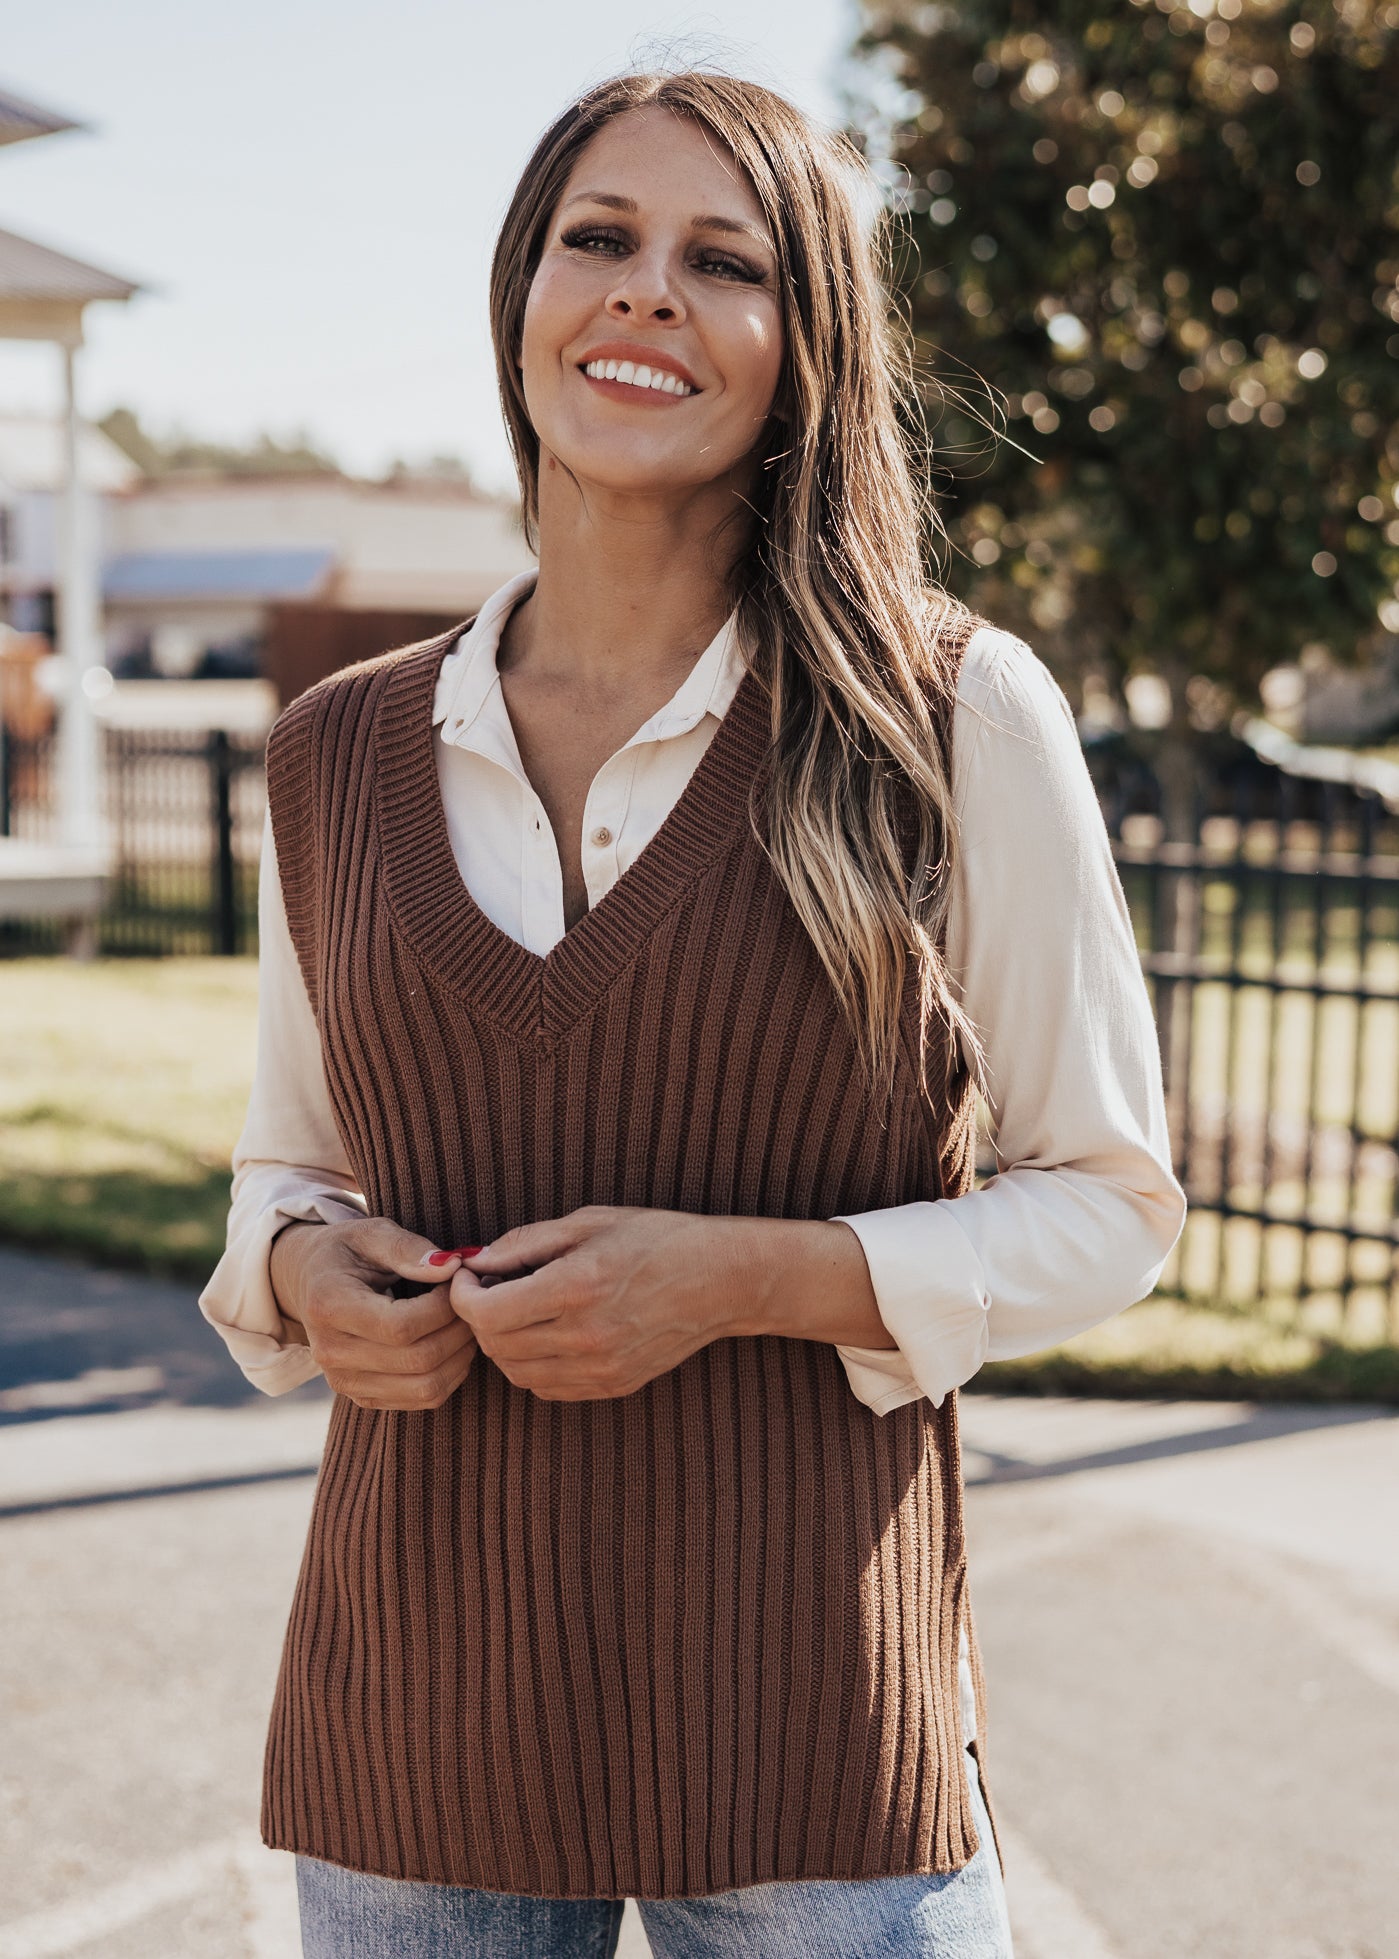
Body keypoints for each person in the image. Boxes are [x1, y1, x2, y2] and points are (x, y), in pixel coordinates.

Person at [200, 68, 1185, 1958]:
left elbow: (1113, 1201)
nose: (647, 290)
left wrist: (744, 1279)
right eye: (601, 238)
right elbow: (285, 1169)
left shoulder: (948, 718)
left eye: (724, 261)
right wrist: (308, 1276)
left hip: (816, 1748)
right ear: (523, 298)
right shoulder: (336, 754)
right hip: (412, 1740)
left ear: (807, 351)